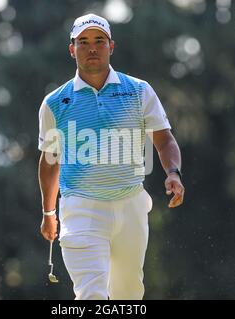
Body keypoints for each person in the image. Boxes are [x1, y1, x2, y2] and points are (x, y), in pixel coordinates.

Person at [38, 13, 185, 300]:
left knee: (128, 294)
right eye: (83, 41)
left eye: (99, 41)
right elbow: (50, 159)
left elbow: (164, 139)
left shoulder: (139, 91)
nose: (92, 48)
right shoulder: (55, 102)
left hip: (130, 203)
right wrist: (48, 213)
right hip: (81, 207)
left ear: (111, 46)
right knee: (91, 294)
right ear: (72, 49)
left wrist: (173, 173)